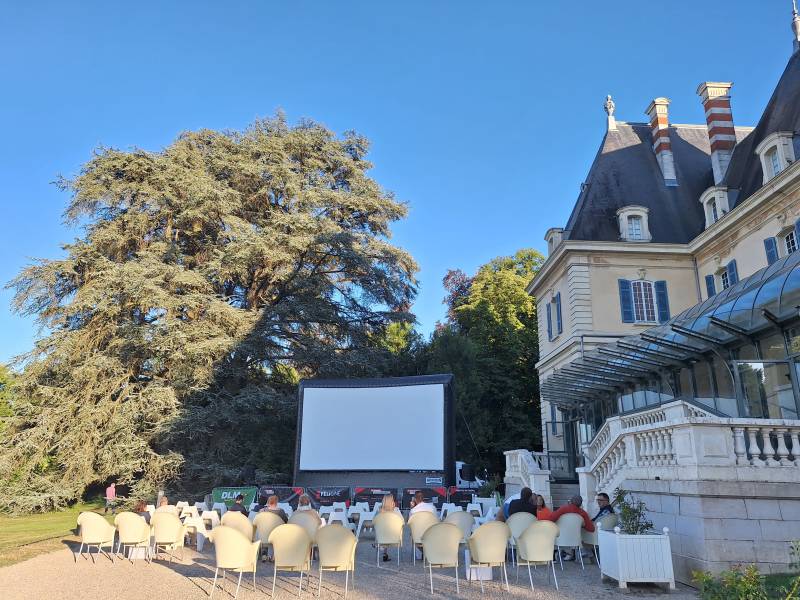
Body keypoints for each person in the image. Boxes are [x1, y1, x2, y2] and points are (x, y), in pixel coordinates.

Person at [547, 495, 595, 561]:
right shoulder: (583, 513)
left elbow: (550, 519)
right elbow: (591, 529)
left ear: (570, 501)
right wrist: (582, 525)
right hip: (576, 540)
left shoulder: (563, 509)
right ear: (581, 504)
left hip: (561, 538)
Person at [377, 493, 397, 562]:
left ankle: (383, 549)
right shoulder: (396, 511)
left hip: (381, 535)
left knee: (383, 529)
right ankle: (384, 552)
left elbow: (374, 521)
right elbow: (402, 522)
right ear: (392, 501)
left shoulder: (379, 511)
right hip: (394, 536)